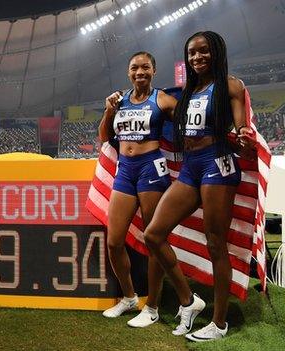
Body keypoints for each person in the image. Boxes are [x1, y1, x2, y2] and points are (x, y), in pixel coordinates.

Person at [143, 31, 253, 341]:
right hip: (191, 167)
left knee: (216, 243)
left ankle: (219, 324)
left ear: (216, 52)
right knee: (153, 233)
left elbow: (241, 126)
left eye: (203, 51)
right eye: (192, 53)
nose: (197, 57)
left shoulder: (231, 85)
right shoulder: (190, 91)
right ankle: (189, 301)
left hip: (217, 163)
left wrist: (244, 136)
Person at [98, 52, 177, 327]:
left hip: (151, 168)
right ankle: (129, 297)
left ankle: (152, 306)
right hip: (125, 170)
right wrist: (109, 110)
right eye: (134, 68)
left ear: (154, 70)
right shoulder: (119, 101)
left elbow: (187, 125)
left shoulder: (163, 99)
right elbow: (105, 136)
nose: (139, 71)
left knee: (153, 240)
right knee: (114, 240)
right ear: (128, 72)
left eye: (145, 67)